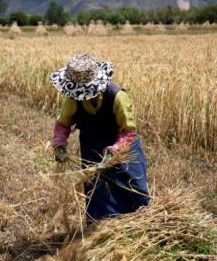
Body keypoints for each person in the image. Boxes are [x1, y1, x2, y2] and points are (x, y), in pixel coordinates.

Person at [50, 53, 149, 223]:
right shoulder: (73, 99)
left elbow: (128, 132)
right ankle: (101, 226)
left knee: (133, 186)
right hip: (92, 145)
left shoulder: (117, 96)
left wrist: (116, 150)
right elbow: (63, 125)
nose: (85, 96)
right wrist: (59, 144)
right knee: (97, 188)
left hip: (124, 146)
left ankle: (140, 222)